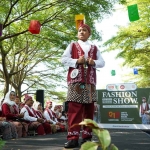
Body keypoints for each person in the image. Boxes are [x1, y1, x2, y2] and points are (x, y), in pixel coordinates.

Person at [61, 23, 105, 148]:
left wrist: (94, 62)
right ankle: (73, 138)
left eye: (84, 30)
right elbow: (63, 59)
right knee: (74, 110)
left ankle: (87, 138)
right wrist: (76, 61)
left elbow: (102, 62)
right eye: (80, 30)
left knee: (89, 110)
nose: (81, 32)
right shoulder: (72, 45)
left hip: (90, 83)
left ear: (89, 33)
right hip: (75, 82)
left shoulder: (94, 47)